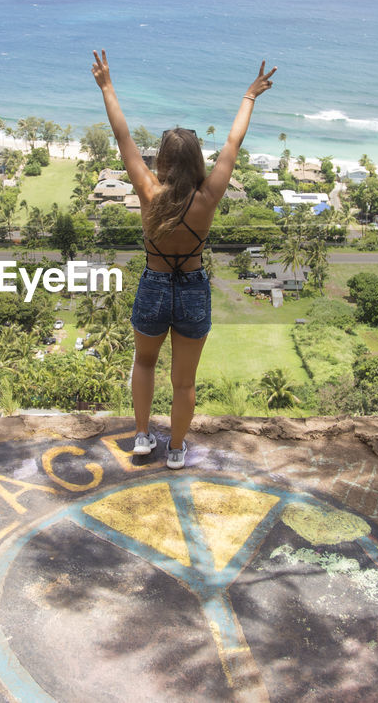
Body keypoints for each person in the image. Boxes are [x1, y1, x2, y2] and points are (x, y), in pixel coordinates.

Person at [91, 49, 276, 469]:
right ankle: (175, 449)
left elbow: (122, 138)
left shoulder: (149, 193)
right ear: (195, 161)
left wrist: (106, 86)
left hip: (154, 285)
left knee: (144, 362)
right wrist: (249, 96)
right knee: (184, 381)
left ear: (162, 160)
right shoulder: (208, 197)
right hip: (192, 288)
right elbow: (233, 142)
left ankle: (142, 438)